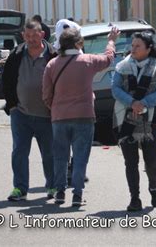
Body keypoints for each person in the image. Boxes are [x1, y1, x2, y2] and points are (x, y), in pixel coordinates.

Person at [42, 26, 119, 206]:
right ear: (79, 43)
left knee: (60, 157)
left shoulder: (52, 64)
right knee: (80, 157)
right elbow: (108, 59)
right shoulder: (88, 60)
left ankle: (60, 192)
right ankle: (77, 195)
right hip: (84, 116)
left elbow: (46, 94)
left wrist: (55, 107)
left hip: (59, 117)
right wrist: (111, 41)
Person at [111, 31, 156, 211]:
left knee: (151, 159)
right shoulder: (122, 67)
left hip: (151, 119)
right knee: (130, 161)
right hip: (125, 118)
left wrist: (143, 103)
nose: (133, 49)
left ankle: (154, 188)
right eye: (132, 45)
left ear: (148, 49)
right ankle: (134, 198)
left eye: (137, 46)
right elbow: (115, 88)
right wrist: (132, 103)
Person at [1, 20, 57, 201]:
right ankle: (19, 188)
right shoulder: (16, 55)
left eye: (35, 35)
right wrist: (12, 106)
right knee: (19, 152)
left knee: (50, 153)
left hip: (47, 115)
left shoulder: (53, 55)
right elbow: (6, 81)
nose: (31, 39)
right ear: (23, 36)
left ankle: (53, 186)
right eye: (28, 35)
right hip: (21, 114)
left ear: (42, 35)